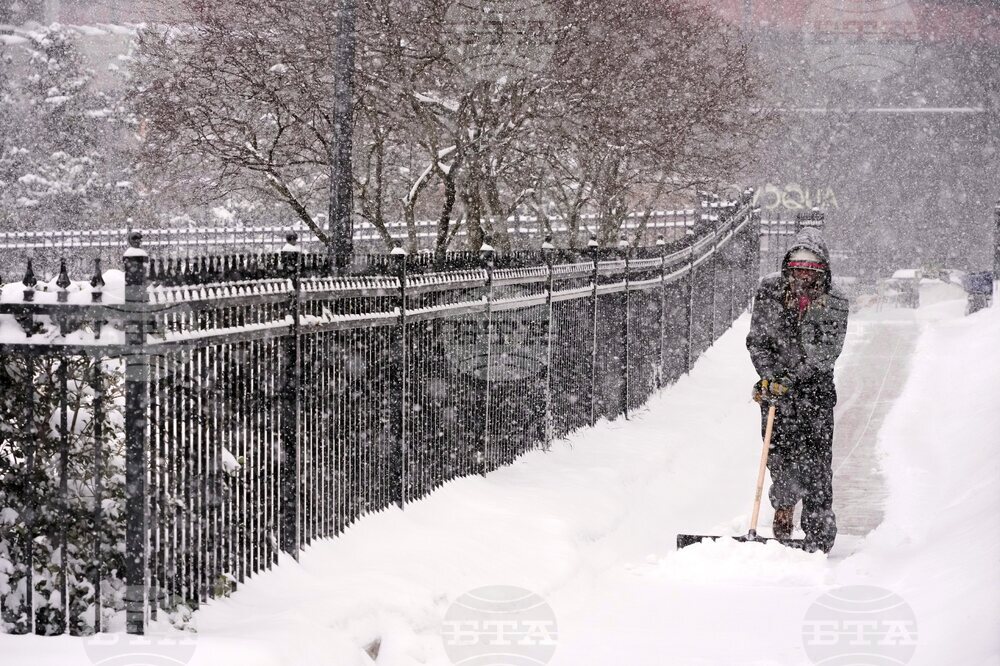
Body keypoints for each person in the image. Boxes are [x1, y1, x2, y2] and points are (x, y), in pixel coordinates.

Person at [746, 228, 849, 553]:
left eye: (811, 270)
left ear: (822, 271)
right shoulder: (770, 292)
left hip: (815, 397)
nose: (803, 275)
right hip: (776, 398)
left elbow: (824, 353)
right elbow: (758, 339)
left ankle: (819, 528)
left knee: (816, 462)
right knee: (780, 457)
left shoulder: (835, 303)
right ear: (787, 267)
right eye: (798, 268)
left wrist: (788, 380)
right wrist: (768, 376)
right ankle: (784, 505)